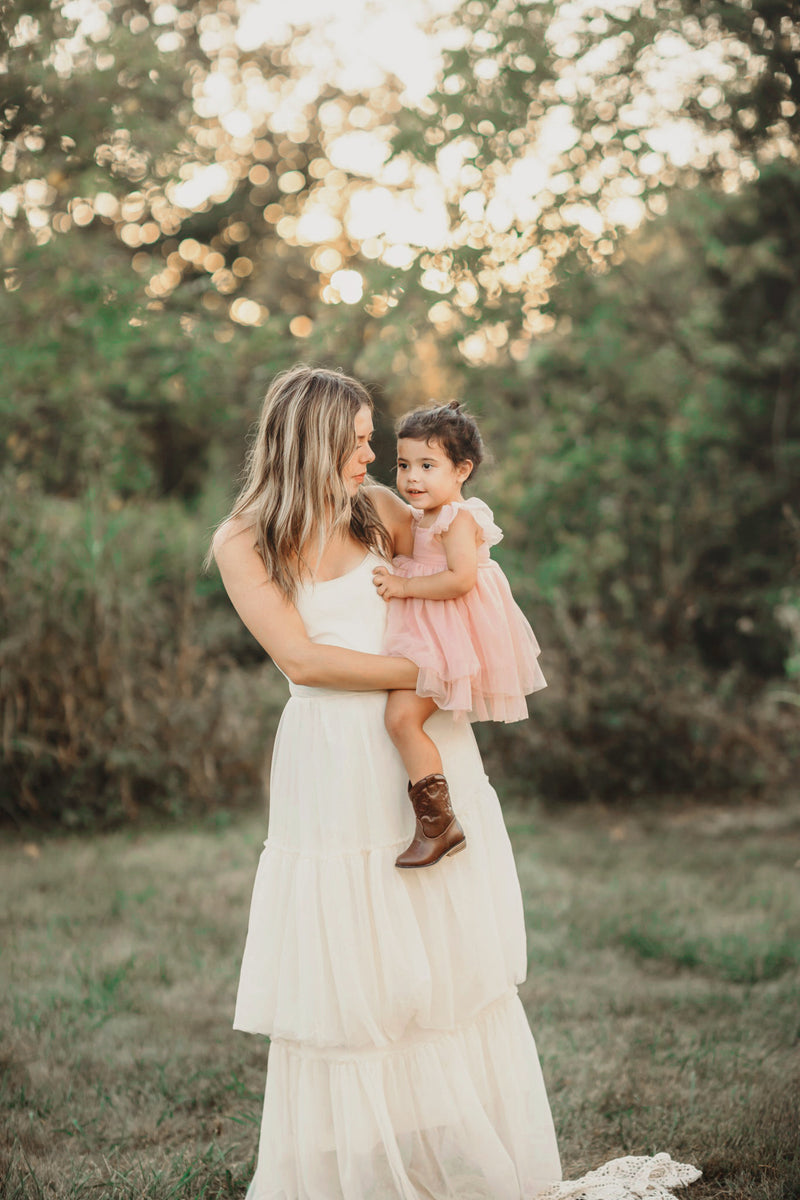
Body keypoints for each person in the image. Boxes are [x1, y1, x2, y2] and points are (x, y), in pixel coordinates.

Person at [211, 364, 700, 1200]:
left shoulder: (382, 513)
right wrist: (433, 675)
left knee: (438, 963)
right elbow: (302, 658)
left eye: (375, 440)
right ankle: (366, 1172)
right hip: (332, 761)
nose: (375, 456)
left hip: (421, 750)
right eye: (360, 440)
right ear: (313, 439)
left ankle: (456, 1158)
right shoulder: (244, 540)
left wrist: (467, 661)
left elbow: (458, 582)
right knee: (359, 974)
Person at [372, 401, 547, 870]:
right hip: (431, 629)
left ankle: (438, 825)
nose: (412, 477)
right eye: (404, 465)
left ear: (462, 470)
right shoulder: (422, 516)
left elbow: (459, 580)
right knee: (399, 718)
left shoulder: (458, 518)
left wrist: (405, 585)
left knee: (401, 718)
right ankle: (436, 823)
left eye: (428, 466)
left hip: (456, 634)